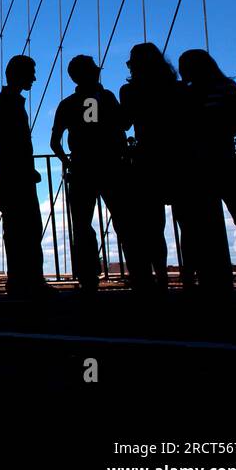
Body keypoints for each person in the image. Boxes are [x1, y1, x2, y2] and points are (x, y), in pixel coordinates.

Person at [50, 54, 143, 294]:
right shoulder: (107, 97)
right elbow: (123, 124)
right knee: (126, 220)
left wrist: (67, 161)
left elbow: (55, 141)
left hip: (82, 168)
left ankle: (88, 276)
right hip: (112, 166)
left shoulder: (67, 104)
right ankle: (140, 273)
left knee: (82, 224)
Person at [178, 49, 236, 292]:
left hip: (199, 165)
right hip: (226, 160)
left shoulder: (186, 93)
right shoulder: (226, 87)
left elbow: (183, 128)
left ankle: (212, 275)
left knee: (205, 223)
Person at [0, 56, 54, 298]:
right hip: (16, 175)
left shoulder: (2, 103)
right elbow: (13, 143)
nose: (35, 78)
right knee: (28, 229)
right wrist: (27, 168)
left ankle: (21, 281)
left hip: (8, 173)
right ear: (19, 74)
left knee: (17, 230)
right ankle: (31, 282)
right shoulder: (8, 104)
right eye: (31, 73)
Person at [118, 43, 180, 294]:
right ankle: (194, 276)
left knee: (150, 224)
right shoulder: (177, 89)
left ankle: (151, 277)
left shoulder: (130, 91)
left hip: (146, 160)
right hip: (178, 157)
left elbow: (124, 122)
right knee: (190, 220)